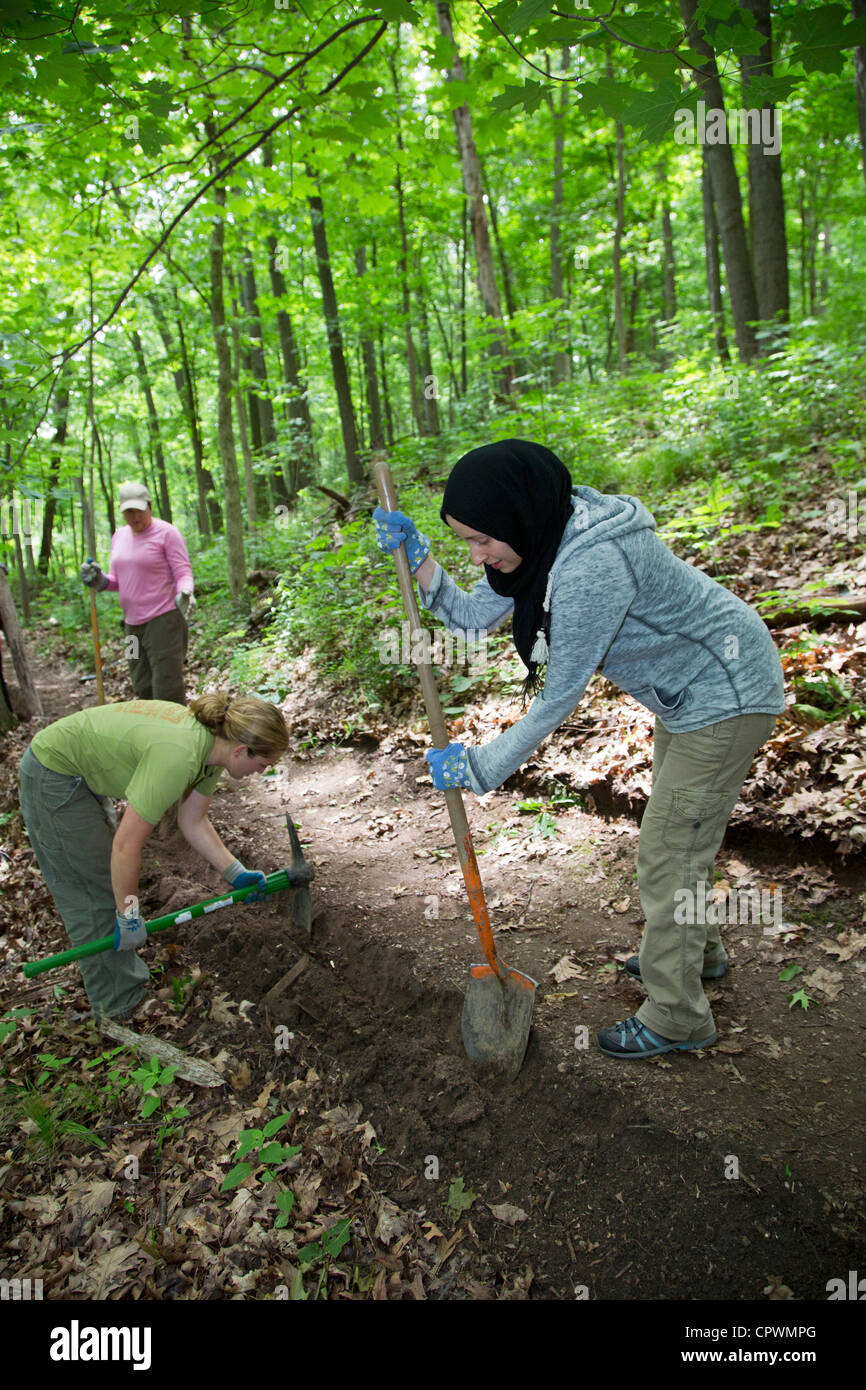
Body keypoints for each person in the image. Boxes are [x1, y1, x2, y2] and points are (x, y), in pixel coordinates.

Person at [373, 439, 785, 1060]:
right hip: (691, 693)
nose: (479, 555)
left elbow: (560, 694)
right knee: (682, 833)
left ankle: (678, 1017)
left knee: (669, 848)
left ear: (518, 515)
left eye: (483, 540)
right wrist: (422, 561)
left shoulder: (591, 565)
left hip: (726, 691)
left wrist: (481, 764)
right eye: (465, 542)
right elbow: (467, 619)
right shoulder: (537, 544)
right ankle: (694, 955)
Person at [18, 692, 289, 1020]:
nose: (260, 772)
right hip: (53, 773)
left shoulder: (213, 750)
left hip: (80, 772)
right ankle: (119, 1006)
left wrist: (235, 872)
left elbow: (193, 821)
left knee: (107, 881)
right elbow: (126, 847)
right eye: (262, 765)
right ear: (241, 750)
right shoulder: (178, 756)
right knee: (93, 889)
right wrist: (129, 915)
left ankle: (121, 982)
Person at [81, 482, 196, 706]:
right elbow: (118, 581)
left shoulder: (167, 533)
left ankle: (175, 736)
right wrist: (100, 580)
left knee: (166, 686)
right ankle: (151, 732)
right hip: (132, 627)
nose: (134, 516)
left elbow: (183, 571)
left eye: (138, 510)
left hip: (163, 622)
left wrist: (185, 592)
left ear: (149, 506)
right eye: (128, 511)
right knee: (141, 682)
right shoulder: (119, 536)